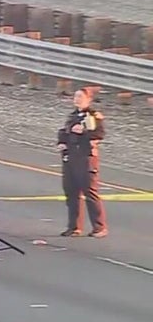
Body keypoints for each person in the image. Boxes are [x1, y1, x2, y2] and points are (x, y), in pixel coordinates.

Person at [56, 87, 107, 238]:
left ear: (88, 99)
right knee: (71, 193)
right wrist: (61, 142)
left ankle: (99, 227)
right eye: (76, 96)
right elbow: (64, 131)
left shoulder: (93, 116)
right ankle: (74, 227)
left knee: (90, 193)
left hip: (85, 158)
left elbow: (99, 134)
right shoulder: (72, 116)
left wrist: (83, 132)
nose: (77, 99)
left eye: (80, 97)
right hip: (70, 157)